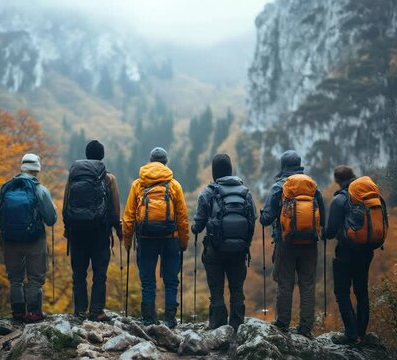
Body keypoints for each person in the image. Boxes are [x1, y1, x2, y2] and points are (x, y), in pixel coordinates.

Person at [260, 150, 325, 339]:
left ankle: (282, 324)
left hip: (285, 243)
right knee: (307, 284)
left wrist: (263, 215)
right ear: (300, 164)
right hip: (310, 244)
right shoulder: (312, 186)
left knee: (285, 283)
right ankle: (306, 327)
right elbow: (323, 217)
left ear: (282, 166)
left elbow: (266, 219)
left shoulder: (278, 187)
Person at [122, 147, 189, 328]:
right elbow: (182, 217)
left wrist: (127, 241)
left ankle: (149, 319)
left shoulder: (138, 184)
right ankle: (169, 320)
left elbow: (128, 216)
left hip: (145, 238)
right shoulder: (174, 185)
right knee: (171, 281)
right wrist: (183, 242)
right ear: (166, 162)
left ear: (150, 161)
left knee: (148, 281)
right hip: (170, 238)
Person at [191, 154, 256, 331]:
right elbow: (252, 220)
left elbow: (198, 225)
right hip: (239, 251)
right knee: (237, 289)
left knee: (216, 288)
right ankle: (237, 327)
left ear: (214, 172)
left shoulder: (208, 192)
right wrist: (245, 243)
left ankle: (218, 327)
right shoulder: (245, 193)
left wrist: (194, 228)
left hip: (215, 250)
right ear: (230, 170)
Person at [0, 153, 57, 322]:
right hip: (35, 240)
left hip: (11, 241)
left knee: (15, 279)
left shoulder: (6, 188)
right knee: (35, 279)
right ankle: (34, 313)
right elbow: (51, 220)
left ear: (22, 167)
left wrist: (12, 229)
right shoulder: (40, 190)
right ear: (37, 170)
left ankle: (18, 312)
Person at [63, 140, 122, 321]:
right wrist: (117, 229)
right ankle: (96, 311)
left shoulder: (74, 176)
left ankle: (80, 311)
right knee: (99, 274)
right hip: (100, 232)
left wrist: (68, 228)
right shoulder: (108, 178)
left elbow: (66, 203)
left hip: (77, 232)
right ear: (102, 156)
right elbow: (115, 206)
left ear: (87, 155)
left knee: (79, 274)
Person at [323, 166, 374, 345]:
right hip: (367, 250)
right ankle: (362, 332)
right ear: (353, 176)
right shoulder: (369, 195)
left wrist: (322, 232)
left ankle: (351, 334)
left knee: (342, 292)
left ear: (337, 180)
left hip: (346, 252)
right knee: (361, 291)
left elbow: (330, 231)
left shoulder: (341, 199)